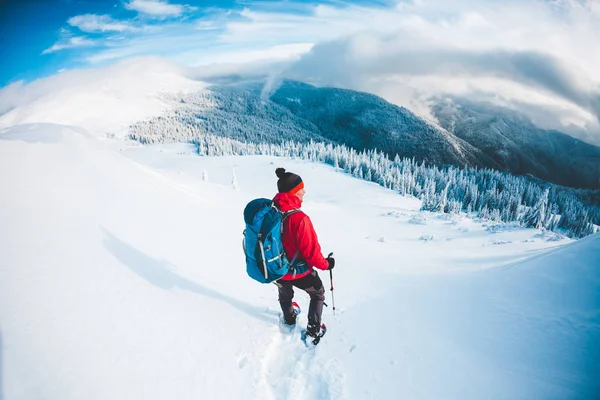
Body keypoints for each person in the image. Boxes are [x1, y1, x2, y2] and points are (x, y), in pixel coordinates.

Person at [272, 167, 335, 339]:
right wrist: (327, 264)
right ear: (293, 191)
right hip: (298, 271)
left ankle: (289, 317)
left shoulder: (272, 211)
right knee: (318, 293)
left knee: (284, 291)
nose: (304, 191)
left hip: (276, 267)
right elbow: (312, 254)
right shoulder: (300, 219)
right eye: (301, 188)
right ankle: (313, 329)